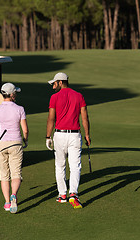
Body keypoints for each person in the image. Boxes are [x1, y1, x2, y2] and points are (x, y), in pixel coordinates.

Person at [46, 72, 91, 209]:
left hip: (59, 135)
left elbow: (51, 119)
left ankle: (62, 195)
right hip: (75, 135)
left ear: (60, 82)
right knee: (75, 166)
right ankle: (73, 194)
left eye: (54, 83)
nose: (53, 86)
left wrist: (48, 137)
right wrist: (87, 135)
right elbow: (85, 118)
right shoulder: (79, 96)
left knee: (60, 166)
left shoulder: (54, 97)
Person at [0, 83, 29, 214]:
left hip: (1, 144)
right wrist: (25, 140)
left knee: (4, 175)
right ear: (12, 95)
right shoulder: (20, 109)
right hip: (16, 143)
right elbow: (25, 130)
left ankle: (7, 202)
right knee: (16, 173)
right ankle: (14, 195)